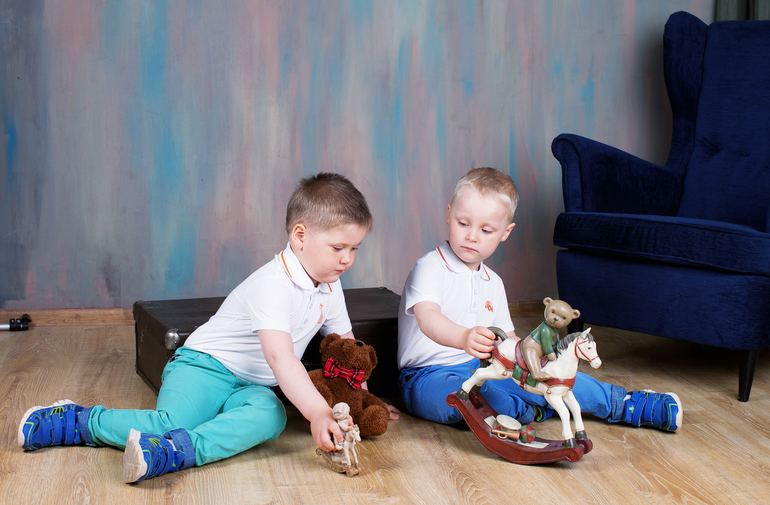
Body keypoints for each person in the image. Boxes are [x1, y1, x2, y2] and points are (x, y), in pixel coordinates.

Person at [18, 173, 396, 483]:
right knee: (173, 421)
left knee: (271, 417)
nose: (347, 259)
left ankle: (176, 451)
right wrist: (318, 412)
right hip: (204, 366)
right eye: (338, 248)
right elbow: (281, 358)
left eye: (355, 249)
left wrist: (363, 401)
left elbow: (348, 350)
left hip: (251, 386)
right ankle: (79, 421)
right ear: (300, 236)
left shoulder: (330, 285)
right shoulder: (272, 285)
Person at [397, 167, 683, 432]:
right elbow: (428, 318)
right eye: (463, 223)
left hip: (486, 367)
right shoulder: (430, 268)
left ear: (505, 233)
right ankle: (532, 410)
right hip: (427, 376)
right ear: (449, 215)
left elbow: (510, 339)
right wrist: (463, 337)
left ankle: (626, 404)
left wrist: (538, 359)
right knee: (471, 398)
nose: (472, 236)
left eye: (486, 230)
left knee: (551, 375)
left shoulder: (493, 282)